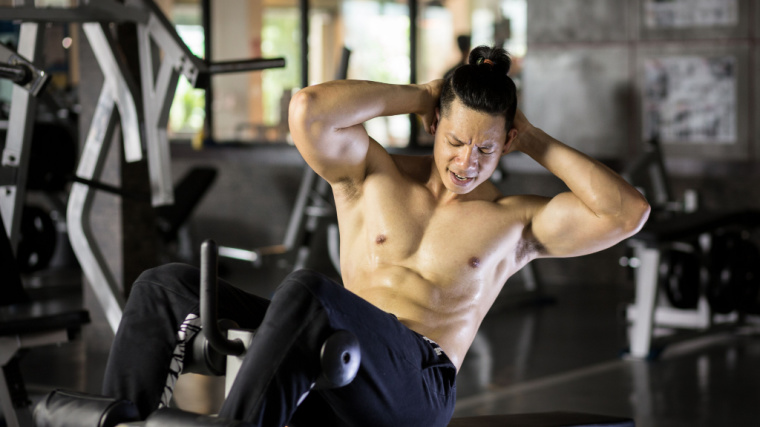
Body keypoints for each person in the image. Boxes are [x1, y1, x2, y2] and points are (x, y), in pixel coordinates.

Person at [102, 46, 650, 427]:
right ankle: (117, 418)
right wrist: (421, 94)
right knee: (162, 287)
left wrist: (528, 135)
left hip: (414, 389)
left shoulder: (517, 221)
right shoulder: (372, 174)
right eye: (458, 140)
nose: (467, 162)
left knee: (310, 293)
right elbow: (309, 110)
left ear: (505, 143)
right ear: (435, 123)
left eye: (487, 148)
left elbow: (626, 213)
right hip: (332, 362)